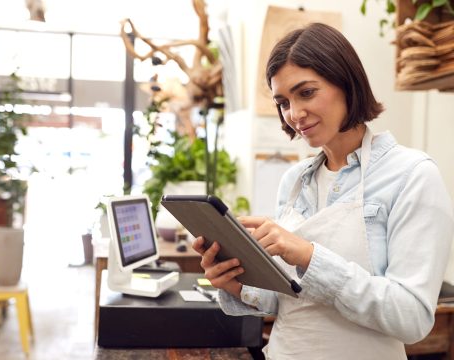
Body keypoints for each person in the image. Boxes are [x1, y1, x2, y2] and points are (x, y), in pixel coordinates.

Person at [192, 23, 454, 359]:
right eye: (283, 101)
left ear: (346, 82)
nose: (295, 114)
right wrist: (237, 284)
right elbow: (290, 298)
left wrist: (309, 255)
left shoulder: (412, 175)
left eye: (306, 92)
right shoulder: (295, 181)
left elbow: (412, 319)